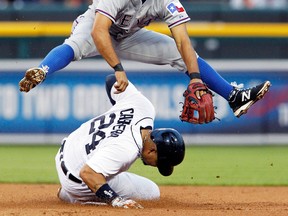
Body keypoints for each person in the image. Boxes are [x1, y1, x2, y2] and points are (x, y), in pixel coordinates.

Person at [19, 0, 271, 120]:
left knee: (180, 53)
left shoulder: (166, 0)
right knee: (74, 46)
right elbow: (99, 31)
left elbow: (183, 40)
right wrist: (118, 69)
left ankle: (234, 97)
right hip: (96, 26)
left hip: (130, 35)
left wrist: (195, 78)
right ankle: (43, 69)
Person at [55, 74, 185, 208]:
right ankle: (73, 196)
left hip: (69, 148)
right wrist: (116, 200)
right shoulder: (127, 150)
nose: (155, 166)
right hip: (79, 180)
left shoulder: (144, 107)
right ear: (152, 150)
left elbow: (112, 79)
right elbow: (87, 173)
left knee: (111, 166)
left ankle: (73, 192)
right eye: (159, 163)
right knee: (151, 192)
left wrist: (119, 116)